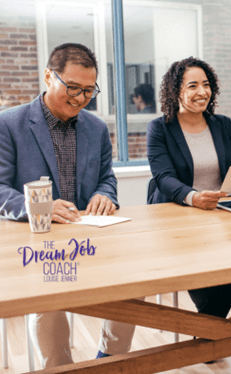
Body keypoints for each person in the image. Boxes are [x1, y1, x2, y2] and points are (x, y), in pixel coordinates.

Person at [96, 57, 231, 359]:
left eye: (206, 85)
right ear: (175, 91)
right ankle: (213, 331)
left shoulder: (223, 124)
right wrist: (194, 197)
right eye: (192, 85)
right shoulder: (160, 128)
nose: (201, 91)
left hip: (223, 216)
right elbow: (163, 177)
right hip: (178, 218)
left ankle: (208, 327)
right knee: (198, 268)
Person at [0, 43, 118, 368]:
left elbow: (108, 178)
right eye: (73, 88)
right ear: (48, 76)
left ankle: (110, 359)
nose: (80, 99)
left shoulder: (95, 128)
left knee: (134, 287)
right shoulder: (9, 124)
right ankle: (60, 367)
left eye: (89, 91)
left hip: (91, 239)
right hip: (39, 244)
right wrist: (39, 208)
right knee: (50, 296)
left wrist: (105, 194)